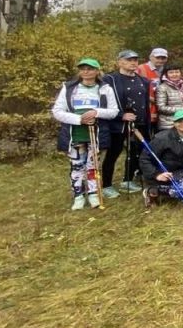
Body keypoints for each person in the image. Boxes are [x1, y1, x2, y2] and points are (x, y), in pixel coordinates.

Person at [52, 58, 120, 210]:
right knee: (77, 166)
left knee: (93, 166)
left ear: (97, 71)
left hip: (96, 134)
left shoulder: (105, 88)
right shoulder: (69, 87)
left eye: (90, 69)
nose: (86, 71)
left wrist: (96, 112)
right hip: (75, 133)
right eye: (83, 68)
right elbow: (57, 111)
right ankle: (78, 196)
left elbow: (113, 112)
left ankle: (94, 194)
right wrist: (79, 119)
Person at [101, 49, 150, 196]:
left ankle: (127, 180)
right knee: (113, 153)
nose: (133, 62)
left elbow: (145, 103)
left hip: (139, 123)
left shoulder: (142, 80)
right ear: (120, 62)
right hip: (118, 124)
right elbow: (104, 103)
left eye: (135, 60)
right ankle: (106, 185)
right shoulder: (110, 79)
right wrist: (121, 115)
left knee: (136, 152)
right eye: (129, 60)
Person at [155, 63, 183, 130]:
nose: (174, 74)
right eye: (171, 72)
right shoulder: (162, 88)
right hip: (169, 124)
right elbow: (161, 108)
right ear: (166, 74)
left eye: (177, 72)